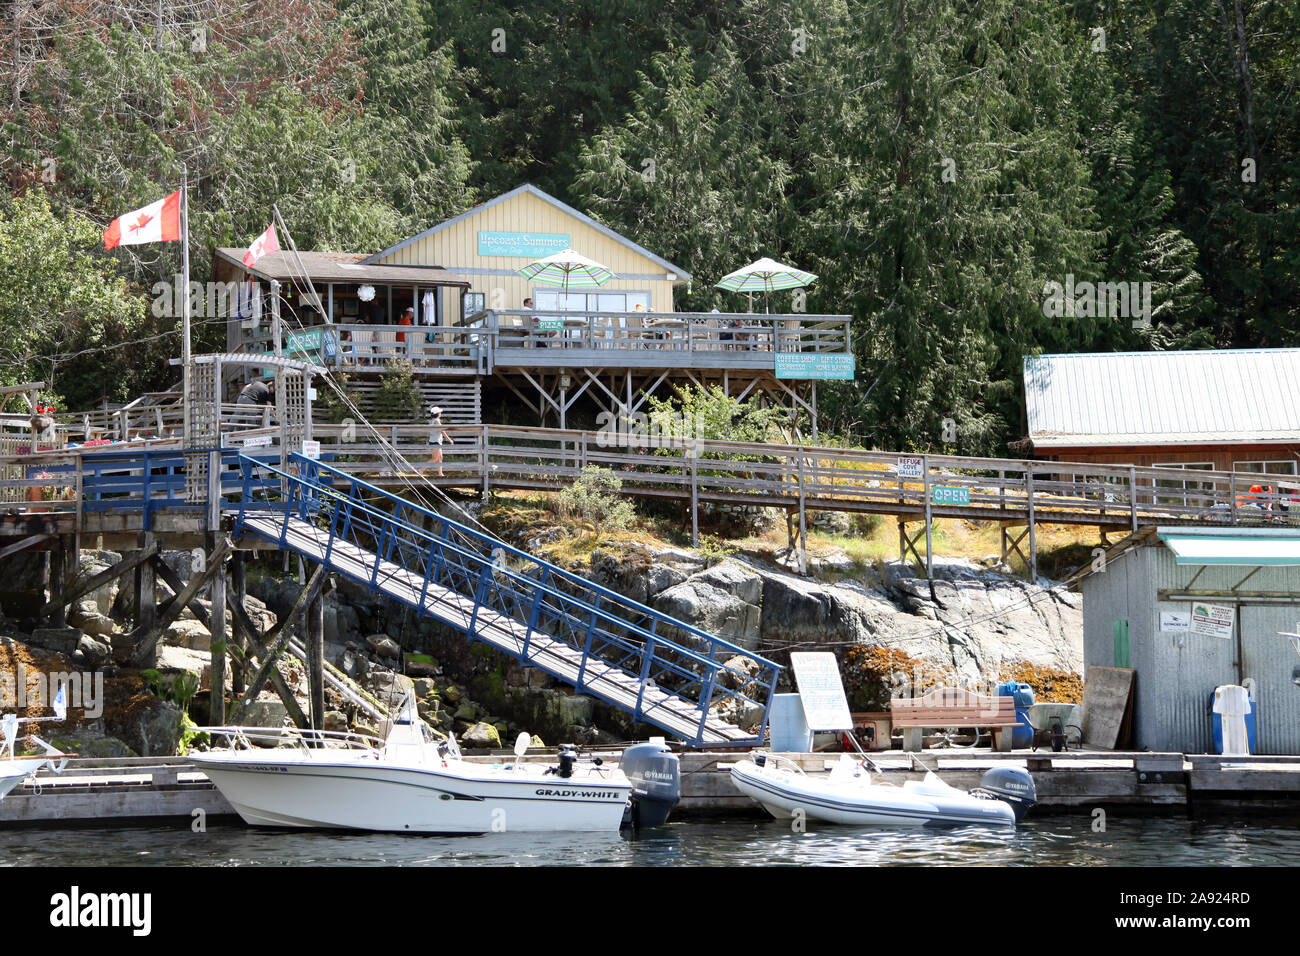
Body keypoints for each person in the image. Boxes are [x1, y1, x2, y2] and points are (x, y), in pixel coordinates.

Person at [429, 405, 452, 477]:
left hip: (436, 441)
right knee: (435, 458)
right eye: (440, 412)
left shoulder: (433, 420)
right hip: (435, 442)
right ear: (438, 414)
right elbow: (442, 431)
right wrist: (449, 439)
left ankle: (440, 473)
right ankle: (421, 469)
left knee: (440, 458)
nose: (441, 413)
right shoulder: (436, 421)